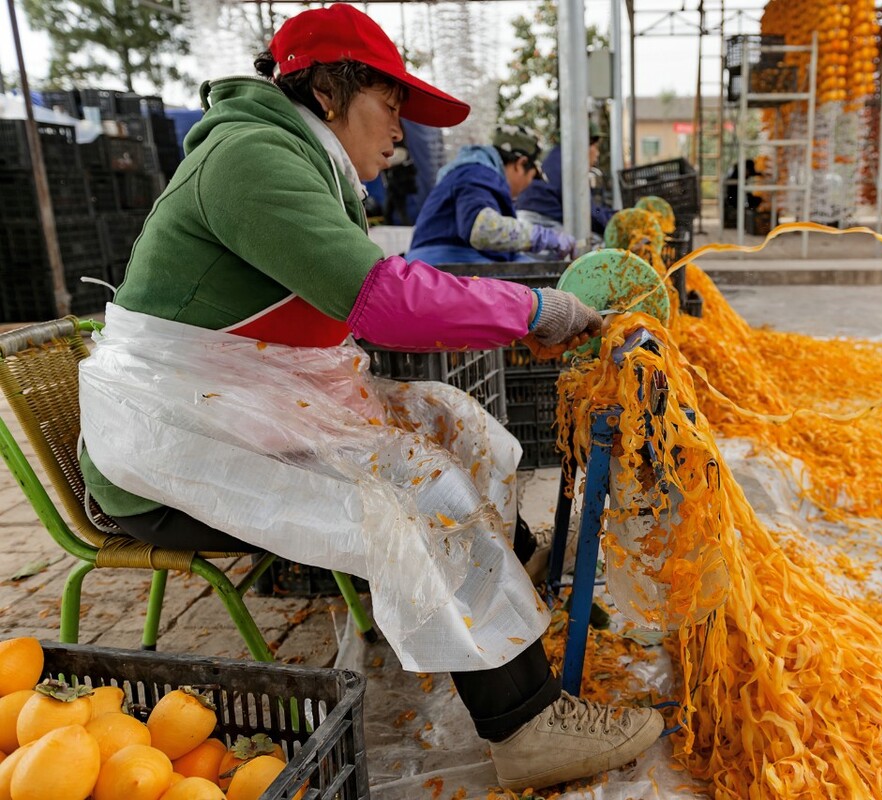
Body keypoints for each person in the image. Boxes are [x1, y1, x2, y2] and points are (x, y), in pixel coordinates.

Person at [75, 4, 662, 792]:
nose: (401, 129)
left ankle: (510, 598)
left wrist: (511, 317)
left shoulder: (298, 159)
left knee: (448, 420)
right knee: (422, 486)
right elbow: (380, 298)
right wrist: (533, 310)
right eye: (391, 104)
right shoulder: (251, 158)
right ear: (327, 91)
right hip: (167, 455)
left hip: (229, 413)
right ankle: (526, 723)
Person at [405, 125, 577, 265]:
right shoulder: (477, 172)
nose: (528, 186)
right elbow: (483, 229)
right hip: (439, 270)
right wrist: (543, 237)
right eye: (532, 177)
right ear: (520, 164)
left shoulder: (473, 173)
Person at [516, 123, 616, 239]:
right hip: (544, 224)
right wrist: (618, 220)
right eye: (596, 147)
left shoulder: (558, 156)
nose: (597, 154)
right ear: (585, 144)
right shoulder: (570, 166)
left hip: (531, 221)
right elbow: (589, 214)